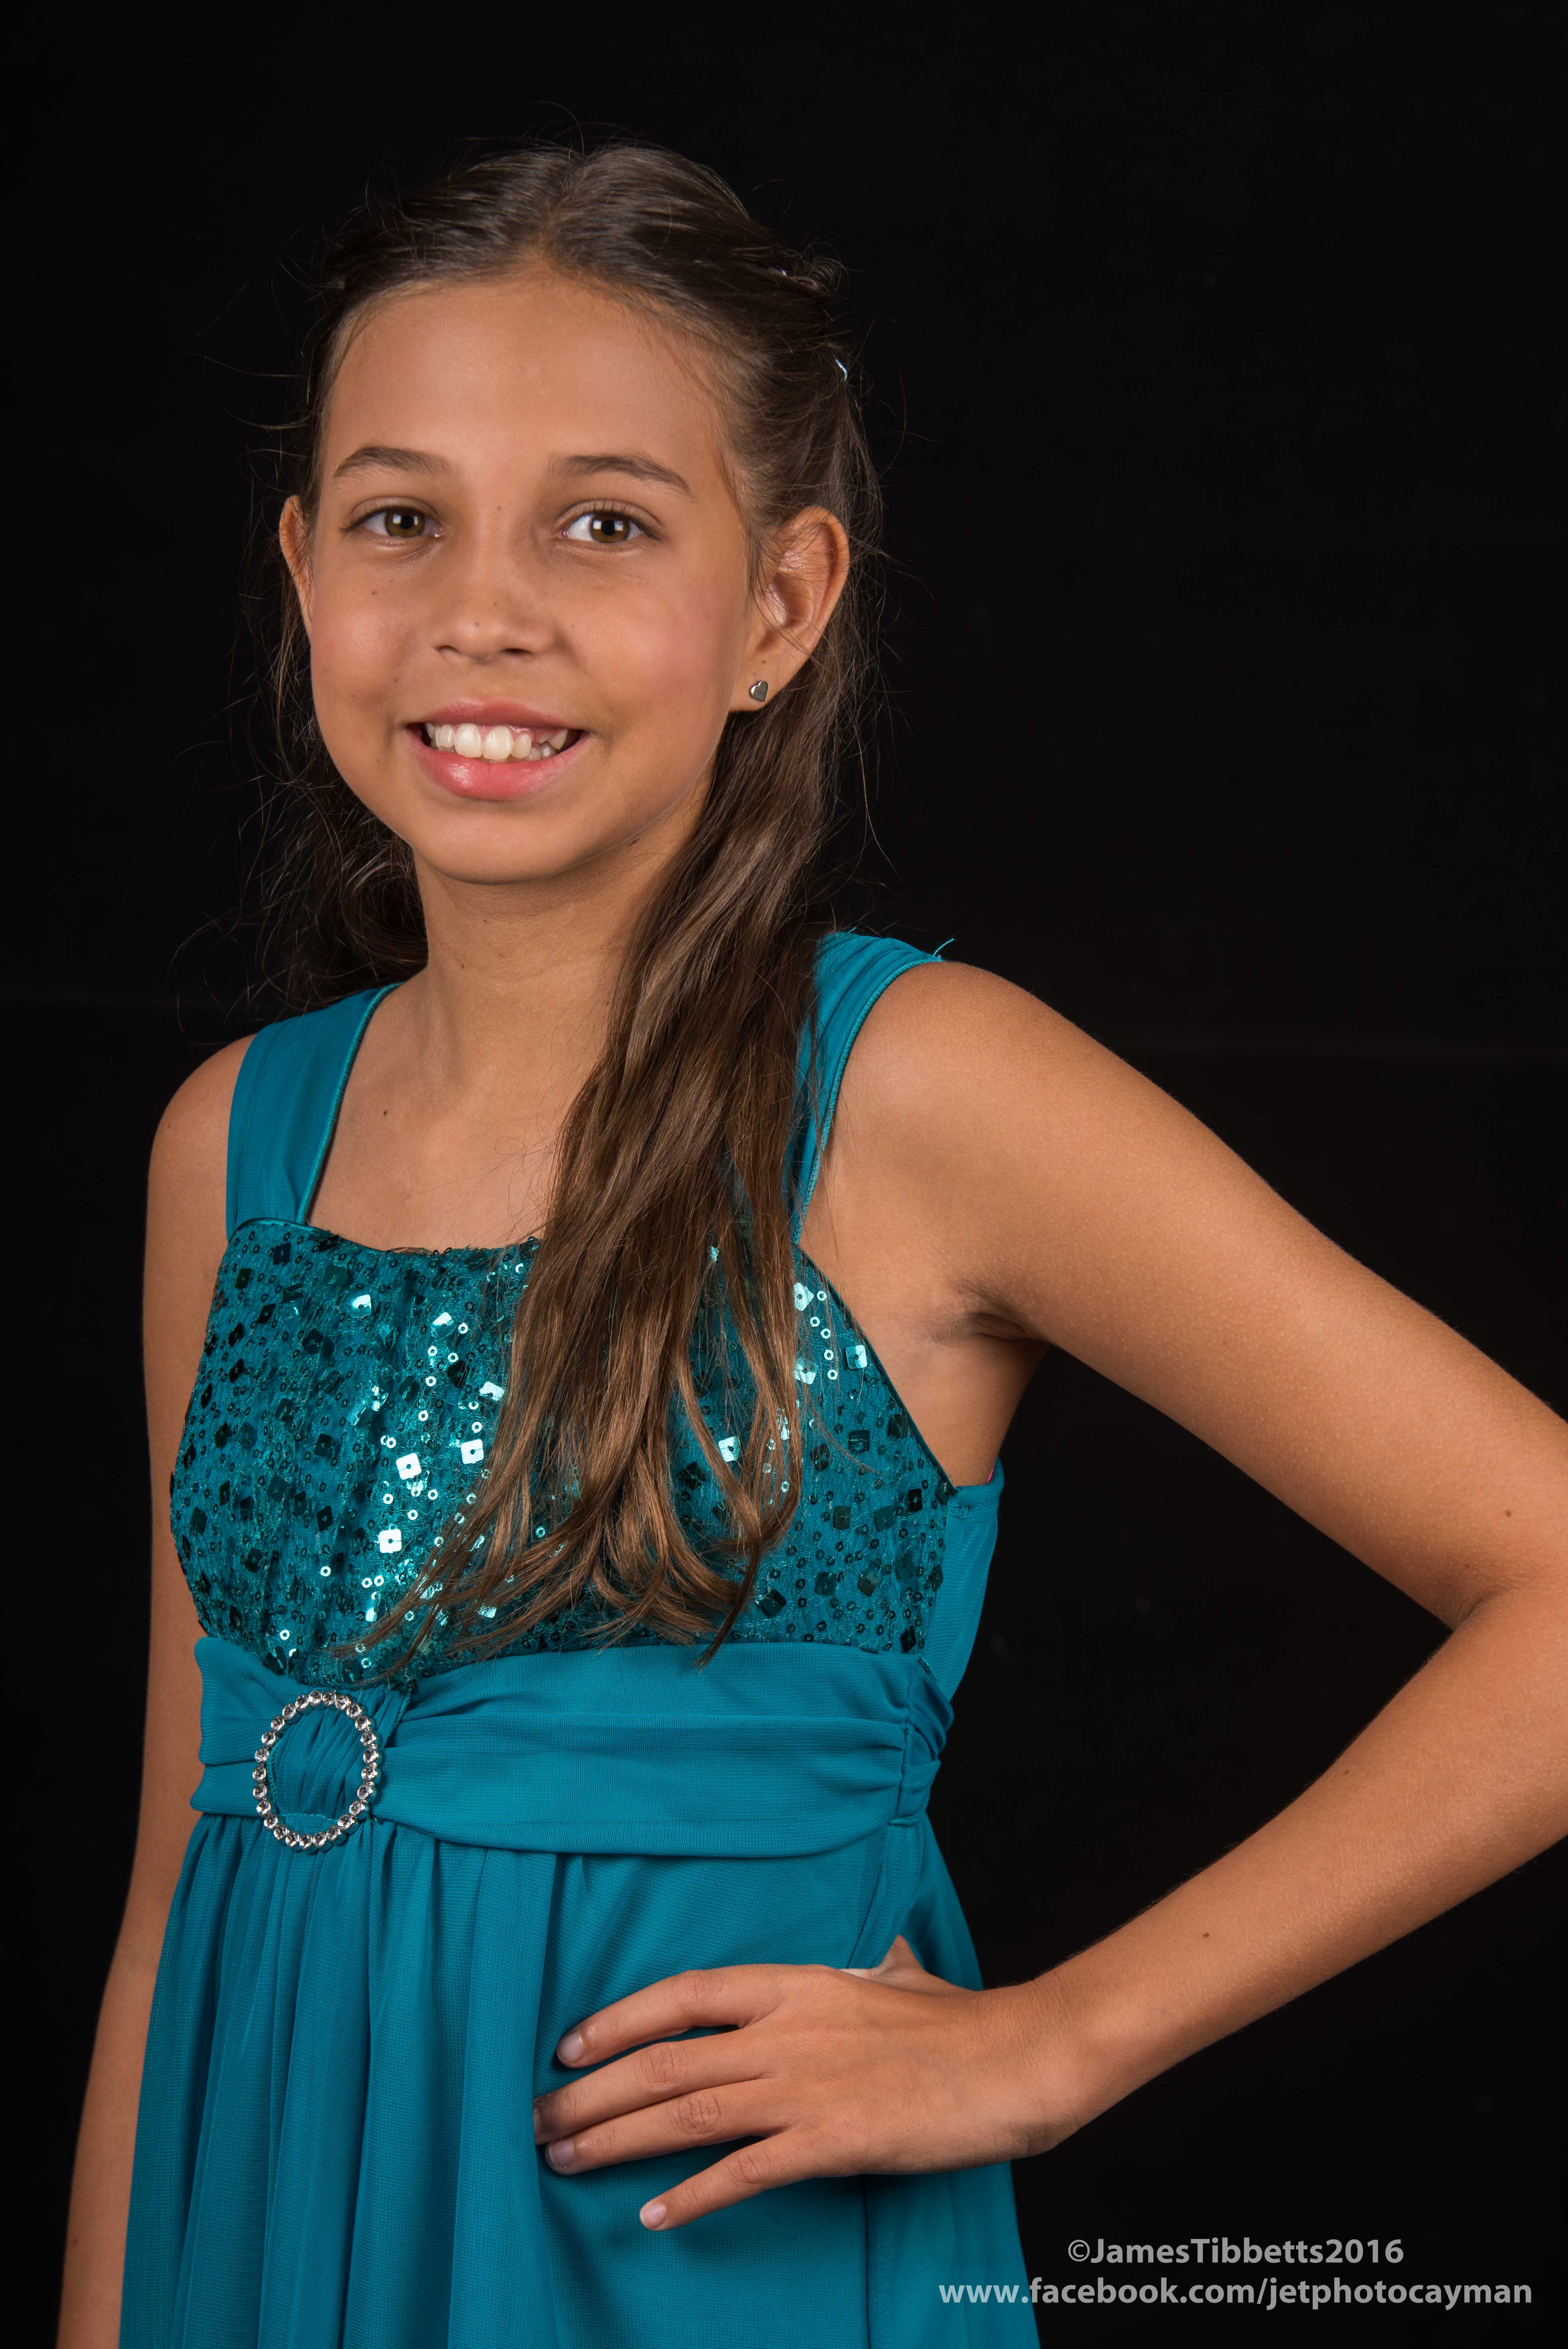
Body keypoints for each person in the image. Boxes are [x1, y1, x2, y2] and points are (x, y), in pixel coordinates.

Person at [58, 140, 1568, 2348]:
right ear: (303, 579)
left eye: (602, 524)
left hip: (692, 2268)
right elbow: (169, 1888)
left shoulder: (919, 1093)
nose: (482, 611)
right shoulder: (235, 1144)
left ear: (780, 604)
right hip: (263, 2236)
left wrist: (1059, 2042)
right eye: (401, 520)